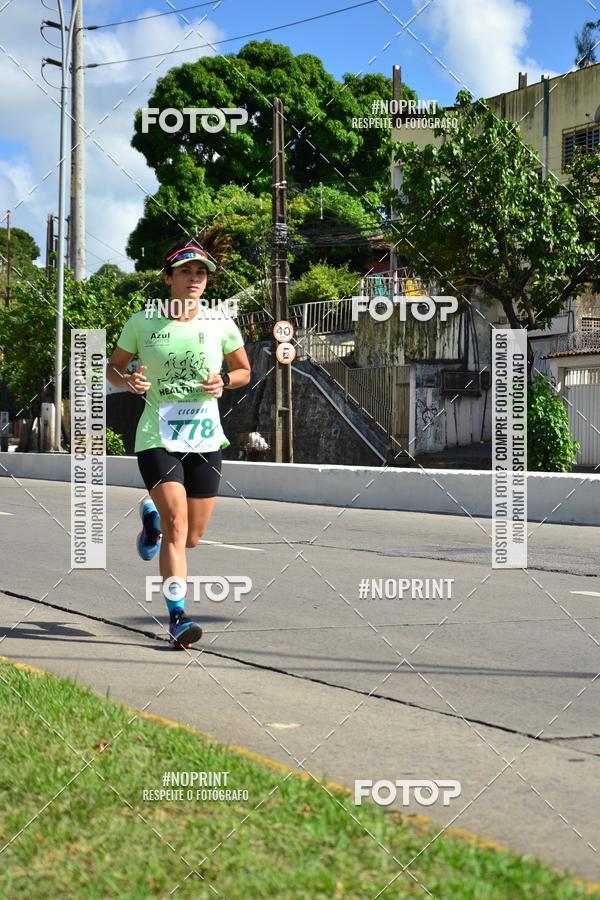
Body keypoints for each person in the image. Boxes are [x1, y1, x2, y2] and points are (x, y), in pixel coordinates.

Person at [106, 232, 251, 648]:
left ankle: (149, 525)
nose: (194, 278)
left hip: (205, 438)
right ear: (168, 278)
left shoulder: (219, 321)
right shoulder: (143, 321)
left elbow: (243, 371)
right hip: (157, 436)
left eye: (200, 272)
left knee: (191, 537)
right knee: (177, 525)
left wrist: (224, 380)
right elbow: (114, 367)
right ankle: (177, 618)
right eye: (185, 271)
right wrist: (128, 379)